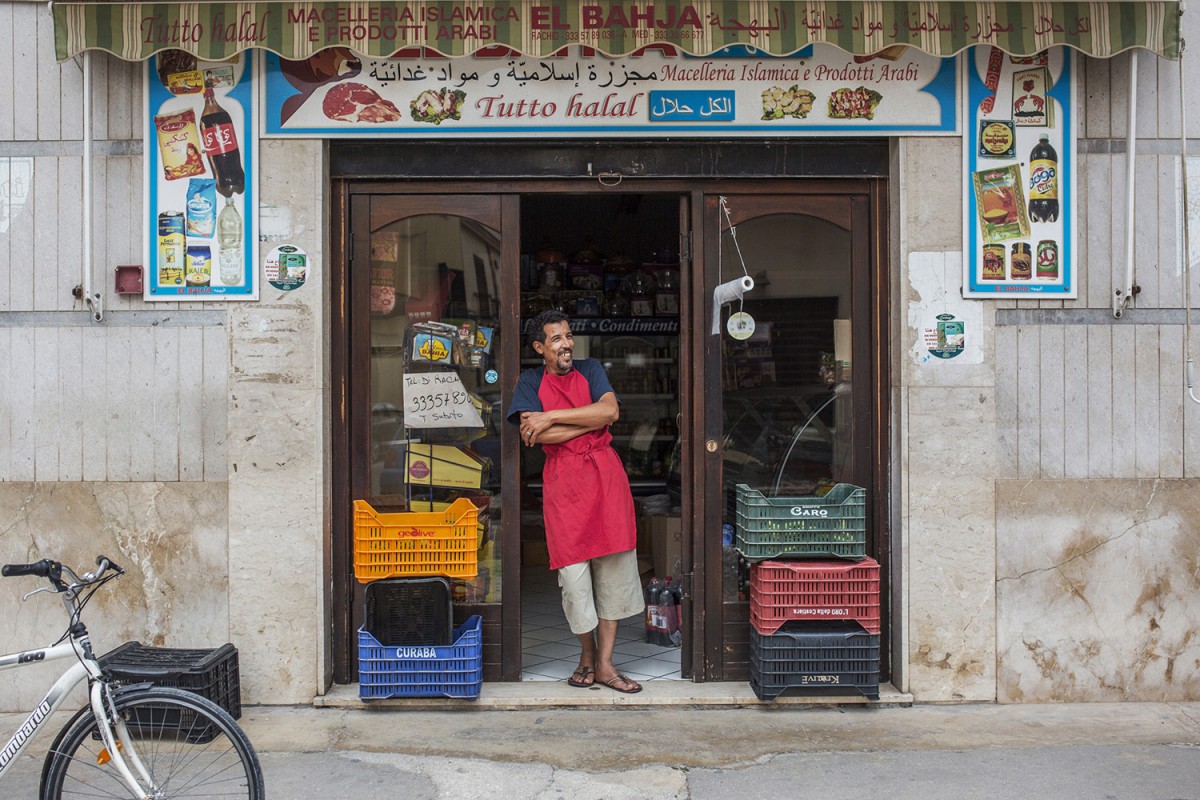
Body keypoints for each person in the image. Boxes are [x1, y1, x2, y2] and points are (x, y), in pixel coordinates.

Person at [507, 309, 644, 694]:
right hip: (564, 487)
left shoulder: (592, 367)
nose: (567, 344)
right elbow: (534, 436)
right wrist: (586, 421)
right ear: (540, 347)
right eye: (556, 339)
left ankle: (603, 664)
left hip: (605, 481)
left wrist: (551, 417)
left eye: (568, 336)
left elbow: (610, 411)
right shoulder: (529, 380)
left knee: (612, 573)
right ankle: (585, 653)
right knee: (574, 579)